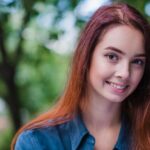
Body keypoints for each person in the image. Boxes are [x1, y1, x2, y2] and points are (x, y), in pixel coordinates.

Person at [11, 3, 150, 150]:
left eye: (137, 61)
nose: (125, 73)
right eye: (112, 56)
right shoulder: (37, 142)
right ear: (86, 56)